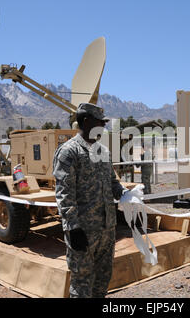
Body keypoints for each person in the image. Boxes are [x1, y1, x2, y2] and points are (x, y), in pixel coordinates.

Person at [53, 102, 126, 298]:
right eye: (99, 122)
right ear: (85, 122)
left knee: (102, 281)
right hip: (83, 231)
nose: (102, 126)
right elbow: (64, 193)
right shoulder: (69, 152)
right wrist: (73, 227)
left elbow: (112, 182)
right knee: (82, 283)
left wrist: (125, 194)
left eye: (104, 123)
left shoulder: (102, 151)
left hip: (107, 230)